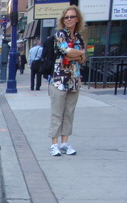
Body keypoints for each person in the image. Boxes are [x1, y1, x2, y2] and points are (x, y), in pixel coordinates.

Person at [48, 5, 86, 156]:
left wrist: (77, 55)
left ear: (77, 19)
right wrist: (79, 53)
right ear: (63, 20)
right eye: (66, 17)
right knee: (57, 113)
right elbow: (66, 52)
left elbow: (82, 59)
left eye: (72, 17)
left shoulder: (78, 38)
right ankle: (54, 144)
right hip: (59, 79)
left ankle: (64, 142)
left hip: (74, 80)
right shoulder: (59, 35)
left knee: (69, 113)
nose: (69, 19)